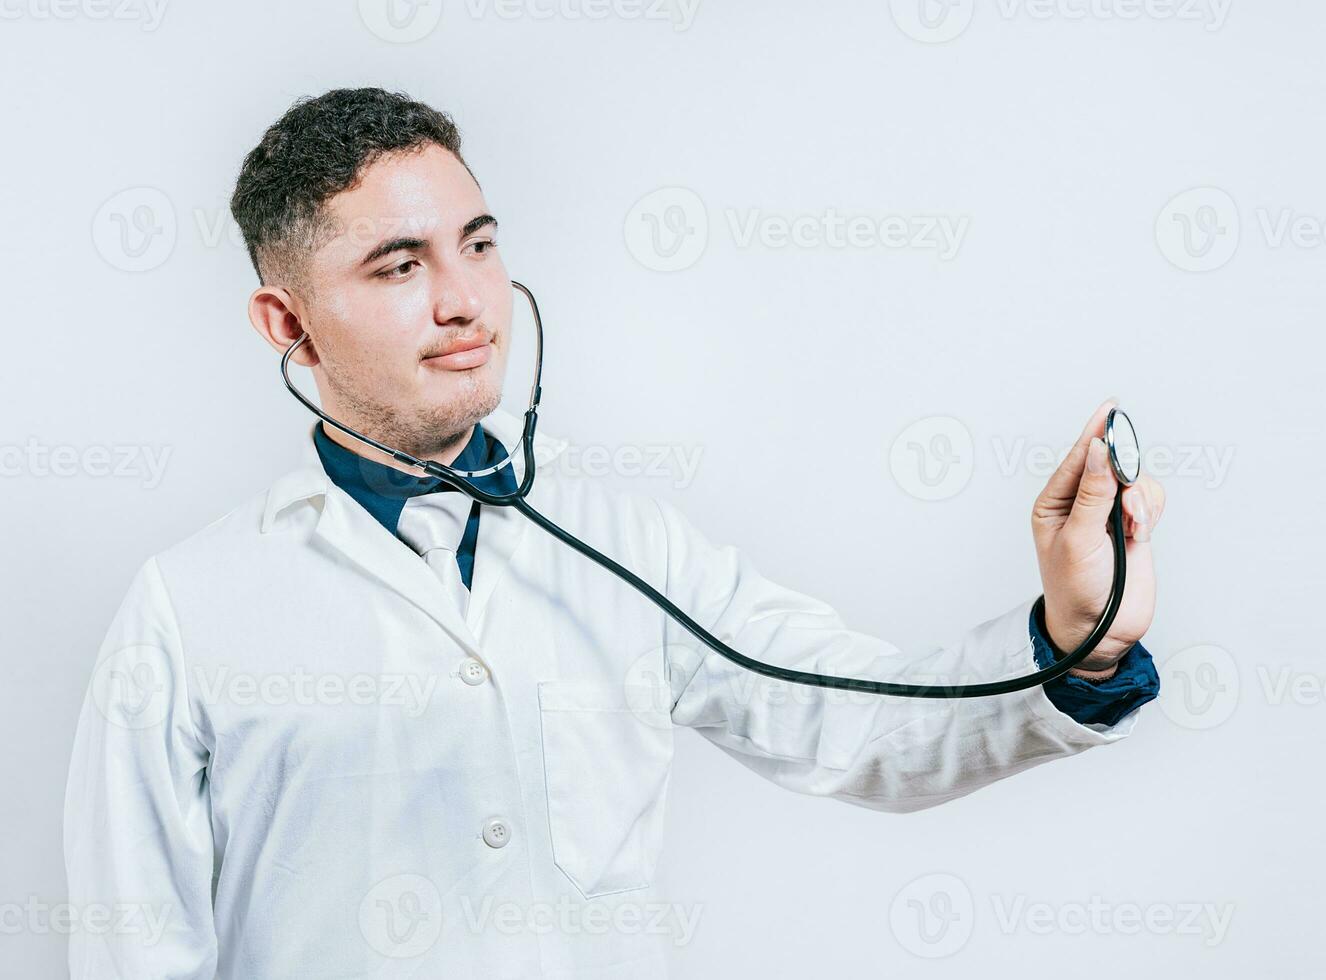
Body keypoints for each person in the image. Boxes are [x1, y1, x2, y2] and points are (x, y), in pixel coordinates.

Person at [62, 87, 1167, 979]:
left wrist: (1083, 638)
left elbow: (861, 723)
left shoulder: (634, 550)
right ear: (286, 321)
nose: (466, 301)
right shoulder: (188, 607)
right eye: (400, 265)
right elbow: (131, 946)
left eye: (479, 244)